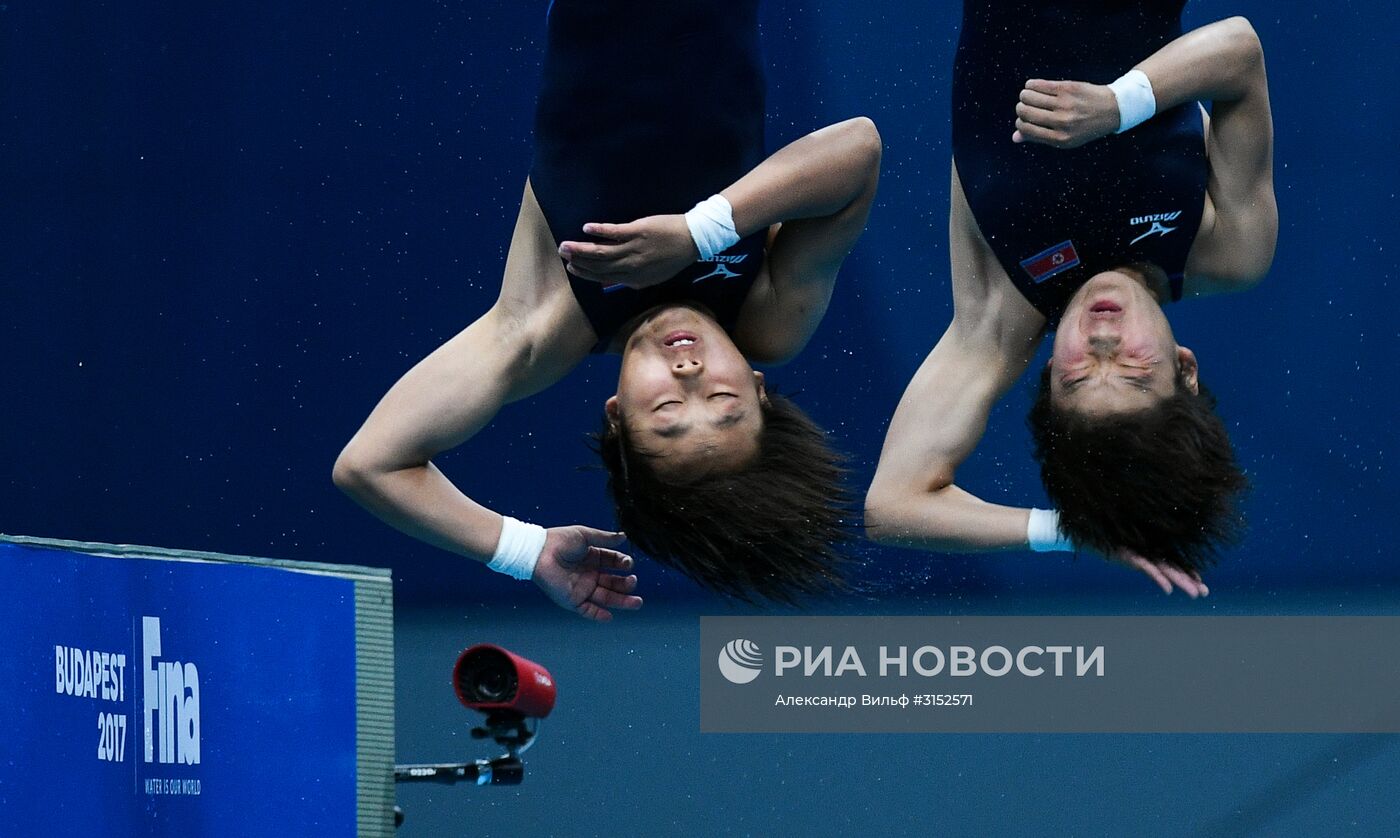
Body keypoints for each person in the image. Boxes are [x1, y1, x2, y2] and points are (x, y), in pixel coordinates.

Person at [333, 0, 881, 619]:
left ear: (617, 416)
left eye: (669, 410)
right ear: (758, 388)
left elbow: (369, 466)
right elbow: (857, 149)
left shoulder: (546, 324)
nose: (690, 377)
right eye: (724, 404)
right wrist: (698, 233)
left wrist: (524, 550)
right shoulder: (768, 315)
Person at [865, 2, 1275, 595]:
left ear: (1051, 372)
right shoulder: (1227, 250)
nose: (1103, 341)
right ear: (1185, 370)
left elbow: (890, 507)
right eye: (1134, 374)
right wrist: (1117, 106)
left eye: (1079, 377)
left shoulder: (999, 311)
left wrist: (1073, 531)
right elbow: (1238, 50)